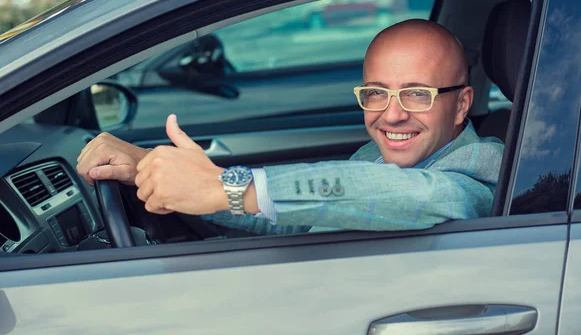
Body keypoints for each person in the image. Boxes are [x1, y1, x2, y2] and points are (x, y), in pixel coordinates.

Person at [77, 19, 504, 234]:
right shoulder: (379, 155)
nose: (391, 115)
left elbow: (414, 195)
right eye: (376, 92)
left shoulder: (476, 175)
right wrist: (149, 167)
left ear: (462, 103)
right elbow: (294, 218)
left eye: (416, 93)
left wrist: (222, 185)